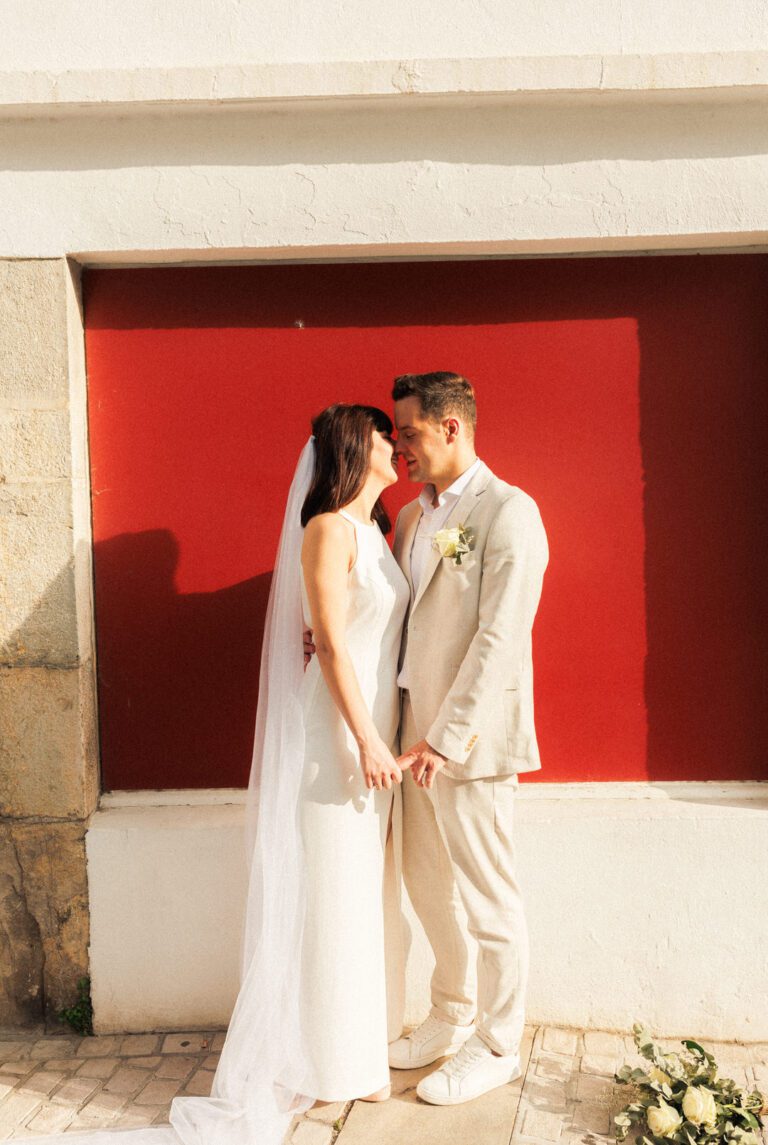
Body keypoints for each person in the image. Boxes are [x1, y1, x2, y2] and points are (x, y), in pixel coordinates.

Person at [25, 404, 409, 1143]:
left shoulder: (377, 532)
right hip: (339, 736)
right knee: (328, 892)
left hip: (375, 734)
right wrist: (364, 738)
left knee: (357, 892)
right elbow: (329, 645)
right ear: (358, 447)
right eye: (385, 433)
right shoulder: (328, 528)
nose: (397, 443)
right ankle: (324, 1064)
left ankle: (356, 1054)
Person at [386, 371, 548, 1106]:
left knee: (489, 895)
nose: (399, 448)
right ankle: (448, 1012)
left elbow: (500, 639)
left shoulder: (510, 512)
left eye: (409, 432)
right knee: (426, 882)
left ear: (453, 427)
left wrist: (447, 738)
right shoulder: (416, 520)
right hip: (411, 737)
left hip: (470, 740)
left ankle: (496, 1042)